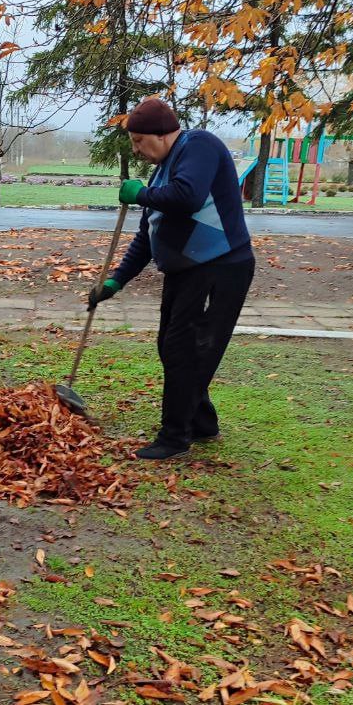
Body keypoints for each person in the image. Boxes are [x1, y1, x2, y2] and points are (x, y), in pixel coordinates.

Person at [88, 98, 255, 460]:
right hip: (186, 270)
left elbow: (188, 197)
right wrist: (116, 282)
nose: (136, 150)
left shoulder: (199, 146)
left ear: (161, 134)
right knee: (171, 345)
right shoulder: (161, 170)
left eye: (138, 141)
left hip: (221, 267)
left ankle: (174, 437)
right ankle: (202, 423)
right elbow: (148, 234)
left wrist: (141, 194)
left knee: (187, 349)